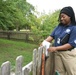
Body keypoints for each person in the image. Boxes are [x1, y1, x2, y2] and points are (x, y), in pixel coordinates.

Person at [42, 6, 76, 75]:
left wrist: (55, 48)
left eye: (63, 16)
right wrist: (43, 43)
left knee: (72, 72)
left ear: (70, 16)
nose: (61, 18)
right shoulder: (59, 27)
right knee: (59, 73)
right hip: (57, 54)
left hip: (68, 54)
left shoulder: (74, 28)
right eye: (60, 17)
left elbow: (70, 44)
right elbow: (51, 36)